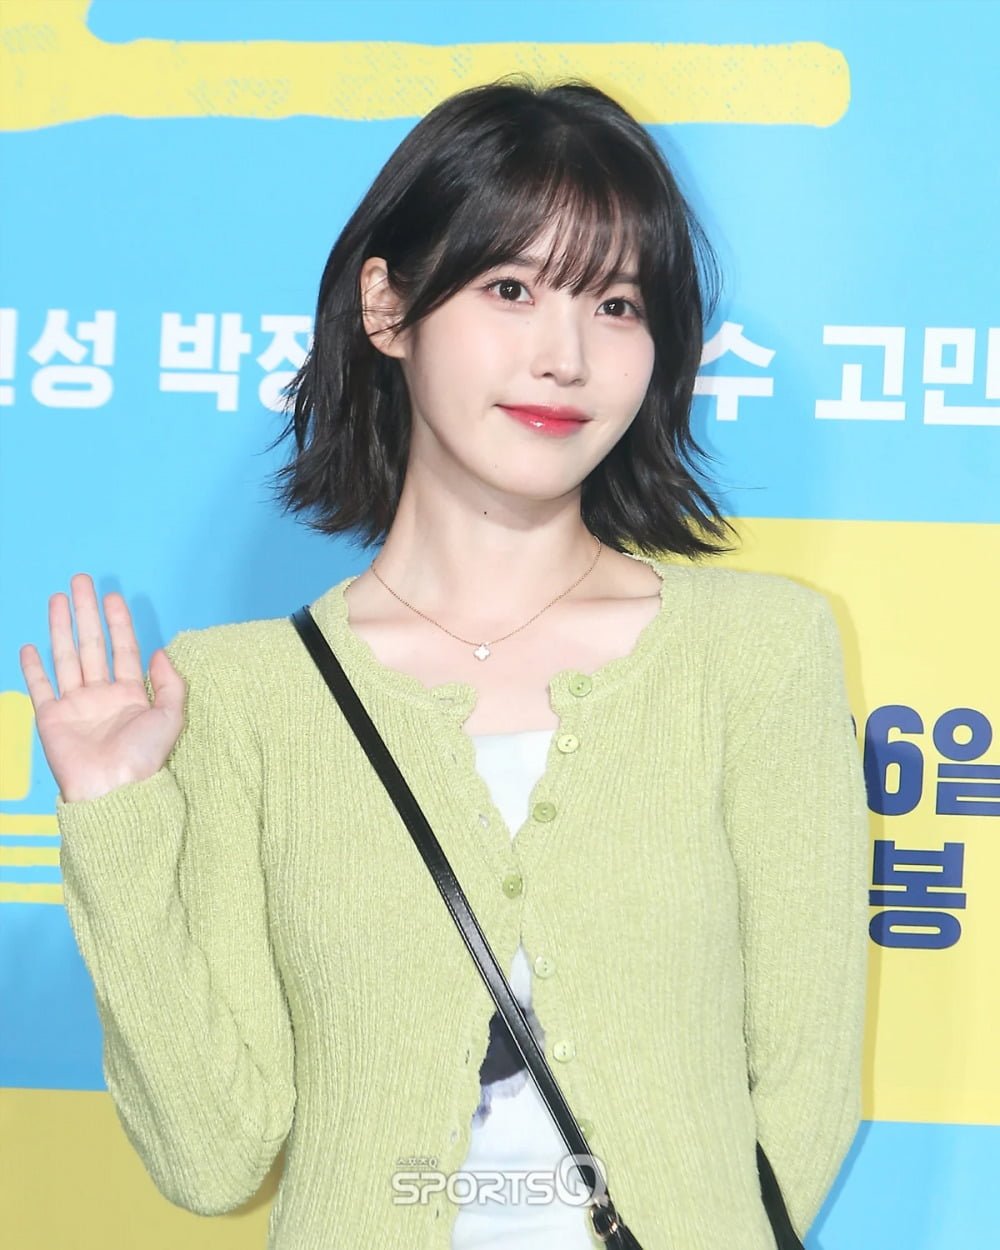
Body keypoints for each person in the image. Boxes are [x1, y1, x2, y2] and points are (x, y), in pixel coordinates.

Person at [21, 77, 870, 1250]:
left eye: (616, 304)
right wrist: (117, 817)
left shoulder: (758, 652)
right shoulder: (243, 693)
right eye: (510, 288)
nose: (565, 356)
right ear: (388, 305)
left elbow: (808, 1079)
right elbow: (213, 1156)